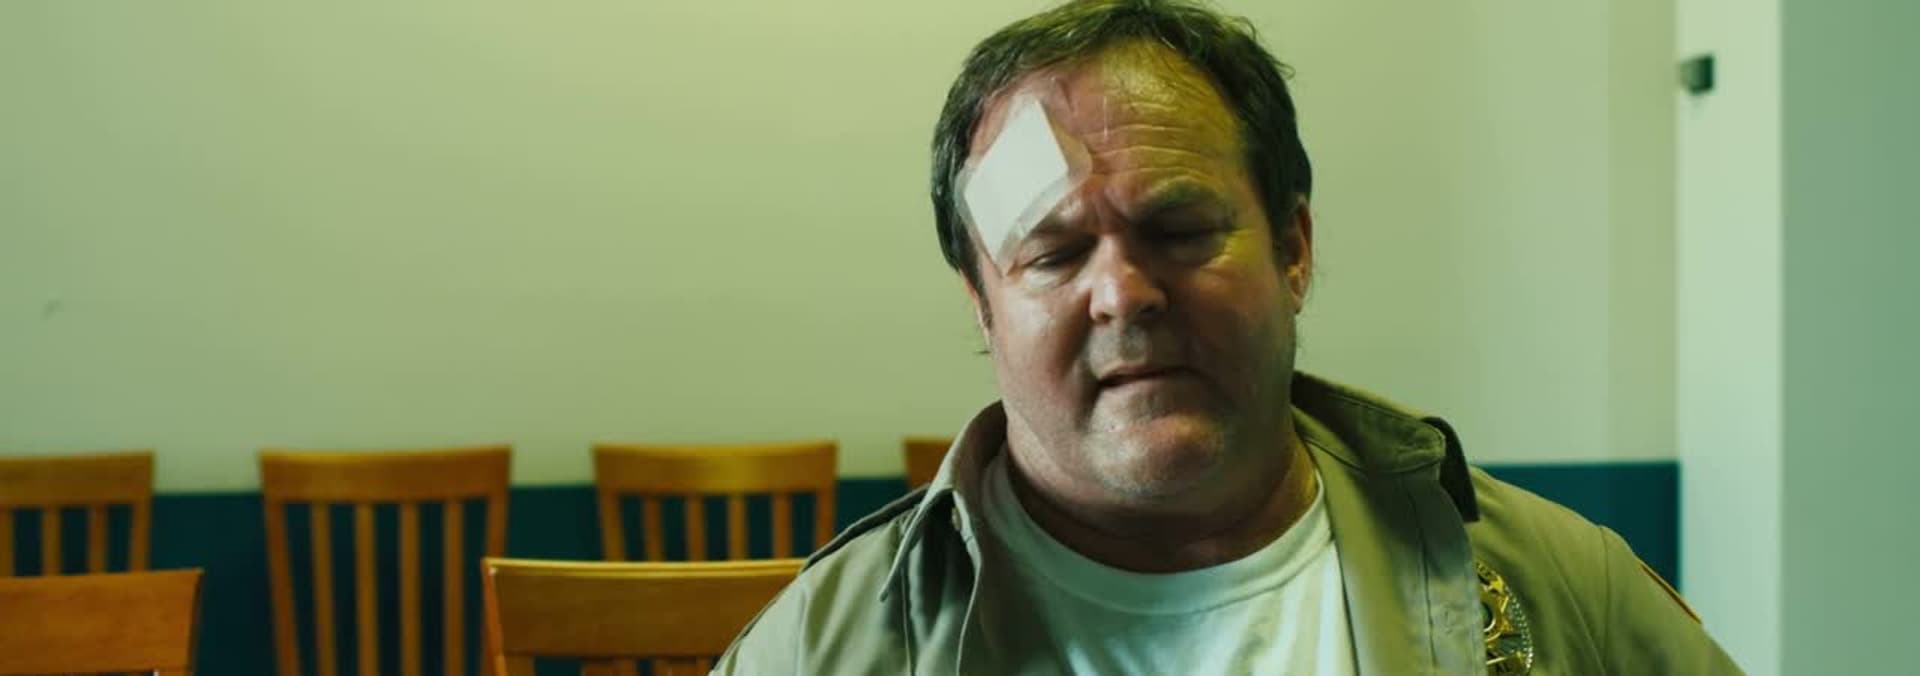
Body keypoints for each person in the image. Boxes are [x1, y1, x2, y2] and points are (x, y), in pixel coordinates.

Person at [716, 1, 1739, 673]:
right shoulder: (825, 650)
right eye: (1055, 253)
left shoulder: (1564, 596)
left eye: (1180, 231)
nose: (1123, 294)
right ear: (982, 305)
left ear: (1293, 249)